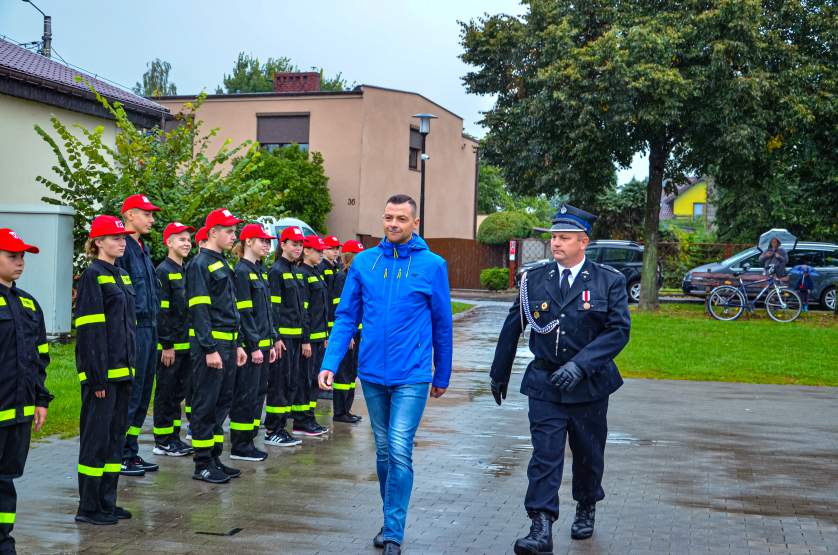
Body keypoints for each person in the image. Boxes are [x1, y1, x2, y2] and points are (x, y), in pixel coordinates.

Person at [489, 205, 631, 553]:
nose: (556, 243)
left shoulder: (608, 280)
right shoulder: (534, 280)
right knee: (545, 455)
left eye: (564, 238)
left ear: (584, 241)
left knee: (587, 454)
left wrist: (581, 366)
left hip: (589, 385)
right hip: (546, 383)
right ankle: (540, 526)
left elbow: (618, 331)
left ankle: (586, 506)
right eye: (553, 237)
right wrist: (499, 372)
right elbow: (513, 326)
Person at [319, 194, 453, 555]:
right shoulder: (364, 262)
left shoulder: (433, 265)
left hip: (413, 374)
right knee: (382, 451)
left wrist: (443, 372)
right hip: (373, 373)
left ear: (415, 224)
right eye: (388, 217)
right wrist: (330, 362)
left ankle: (394, 530)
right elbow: (347, 316)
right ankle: (387, 518)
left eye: (401, 219)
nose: (393, 224)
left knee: (398, 447)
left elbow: (443, 323)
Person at [74, 215, 136, 525]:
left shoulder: (121, 275)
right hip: (102, 377)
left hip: (123, 373)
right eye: (114, 237)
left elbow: (127, 327)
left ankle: (107, 503)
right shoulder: (93, 276)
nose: (121, 241)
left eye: (123, 237)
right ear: (98, 242)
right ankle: (88, 507)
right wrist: (96, 375)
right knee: (96, 441)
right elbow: (90, 331)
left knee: (114, 440)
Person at [0, 228, 52, 553]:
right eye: (11, 256)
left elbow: (40, 358)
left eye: (22, 257)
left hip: (19, 413)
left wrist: (41, 400)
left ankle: (4, 541)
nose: (20, 262)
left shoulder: (29, 304)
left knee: (6, 482)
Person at [187, 208, 247, 484]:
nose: (233, 236)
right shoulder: (200, 264)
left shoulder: (222, 263)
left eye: (234, 231)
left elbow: (229, 308)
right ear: (212, 232)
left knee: (221, 403)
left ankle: (214, 458)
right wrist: (209, 348)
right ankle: (202, 464)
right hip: (210, 346)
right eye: (228, 231)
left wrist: (237, 344)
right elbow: (200, 310)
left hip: (228, 342)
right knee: (205, 404)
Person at [117, 194, 161, 476]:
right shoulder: (124, 249)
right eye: (146, 214)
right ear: (130, 215)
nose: (152, 219)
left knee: (144, 394)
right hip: (135, 328)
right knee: (132, 394)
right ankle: (119, 452)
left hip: (150, 328)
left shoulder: (141, 248)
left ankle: (130, 451)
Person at [229, 224, 278, 461]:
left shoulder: (259, 270)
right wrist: (255, 346)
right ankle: (240, 445)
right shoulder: (241, 272)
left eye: (268, 242)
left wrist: (271, 340)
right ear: (248, 241)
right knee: (245, 395)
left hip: (263, 344)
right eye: (262, 241)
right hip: (251, 347)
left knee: (258, 394)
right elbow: (244, 314)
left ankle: (249, 440)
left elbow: (265, 312)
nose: (267, 245)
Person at [152, 222, 195, 458]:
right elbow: (162, 312)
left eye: (189, 239)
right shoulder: (163, 272)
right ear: (168, 242)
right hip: (171, 347)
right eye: (181, 239)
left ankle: (174, 438)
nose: (187, 243)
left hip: (187, 345)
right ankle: (162, 440)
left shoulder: (185, 270)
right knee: (166, 394)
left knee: (179, 394)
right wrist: (166, 344)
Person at [263, 227, 306, 447]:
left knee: (290, 383)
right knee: (278, 384)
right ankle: (273, 429)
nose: (298, 248)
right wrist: (276, 337)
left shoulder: (294, 270)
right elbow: (274, 309)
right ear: (283, 245)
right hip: (283, 340)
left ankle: (281, 427)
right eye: (294, 243)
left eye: (300, 244)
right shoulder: (277, 271)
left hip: (296, 338)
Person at [296, 235, 330, 437]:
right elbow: (305, 311)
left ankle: (309, 417)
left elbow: (322, 309)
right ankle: (302, 420)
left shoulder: (316, 272)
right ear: (306, 251)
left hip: (319, 337)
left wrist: (324, 335)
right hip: (310, 339)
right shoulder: (302, 274)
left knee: (313, 380)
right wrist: (306, 339)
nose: (321, 254)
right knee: (305, 380)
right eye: (317, 250)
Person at [331, 240, 365, 424]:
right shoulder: (342, 277)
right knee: (343, 373)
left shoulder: (354, 275)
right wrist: (349, 335)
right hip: (349, 334)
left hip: (358, 332)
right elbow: (340, 307)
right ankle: (340, 411)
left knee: (351, 373)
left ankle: (347, 408)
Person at [183, 225, 209, 433]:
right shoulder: (197, 266)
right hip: (196, 338)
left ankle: (196, 426)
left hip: (198, 337)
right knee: (195, 387)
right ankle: (195, 427)